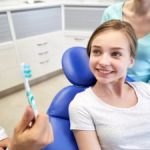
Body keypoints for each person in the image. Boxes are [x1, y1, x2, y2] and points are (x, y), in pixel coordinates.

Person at [69, 19, 150, 149]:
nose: (104, 62)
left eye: (115, 54)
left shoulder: (146, 91)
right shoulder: (82, 106)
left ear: (130, 61)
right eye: (96, 52)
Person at [101, 0, 150, 82]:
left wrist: (143, 92)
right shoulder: (111, 13)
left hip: (145, 88)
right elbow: (101, 52)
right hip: (110, 81)